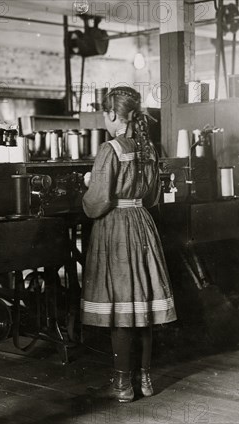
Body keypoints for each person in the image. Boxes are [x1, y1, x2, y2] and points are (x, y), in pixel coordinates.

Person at [80, 86, 176, 402]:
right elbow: (151, 197)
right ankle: (145, 380)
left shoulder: (110, 149)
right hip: (142, 225)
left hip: (116, 230)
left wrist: (88, 186)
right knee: (143, 306)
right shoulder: (149, 149)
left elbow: (97, 203)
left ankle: (122, 385)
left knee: (121, 306)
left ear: (111, 115)